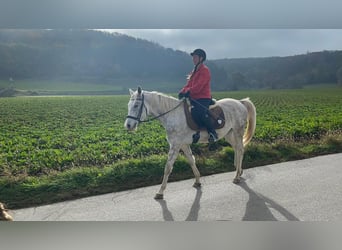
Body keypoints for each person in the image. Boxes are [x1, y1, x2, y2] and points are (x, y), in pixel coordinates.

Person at [178, 48, 218, 143]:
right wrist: (182, 91)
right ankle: (196, 132)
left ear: (201, 58)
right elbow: (188, 85)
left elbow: (199, 86)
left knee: (200, 113)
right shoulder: (194, 71)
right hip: (194, 97)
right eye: (193, 57)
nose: (193, 59)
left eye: (195, 57)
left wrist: (188, 92)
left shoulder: (205, 70)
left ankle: (213, 133)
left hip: (203, 97)